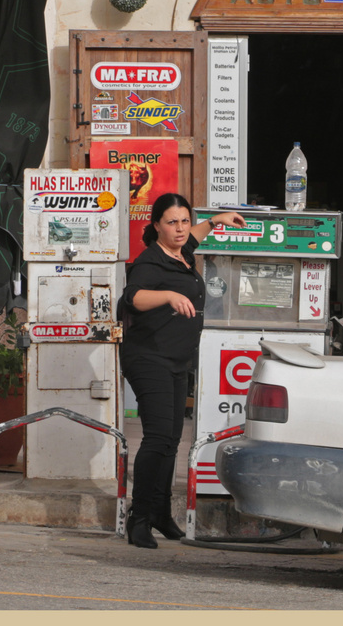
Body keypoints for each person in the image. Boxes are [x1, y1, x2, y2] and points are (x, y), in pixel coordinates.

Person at [120, 193, 244, 548]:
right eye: (171, 223)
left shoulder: (180, 253)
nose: (180, 229)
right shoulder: (150, 261)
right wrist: (168, 297)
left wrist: (216, 220)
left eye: (184, 221)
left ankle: (160, 512)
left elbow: (192, 239)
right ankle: (139, 517)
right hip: (148, 358)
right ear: (156, 225)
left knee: (173, 439)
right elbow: (134, 296)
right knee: (158, 438)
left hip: (175, 360)